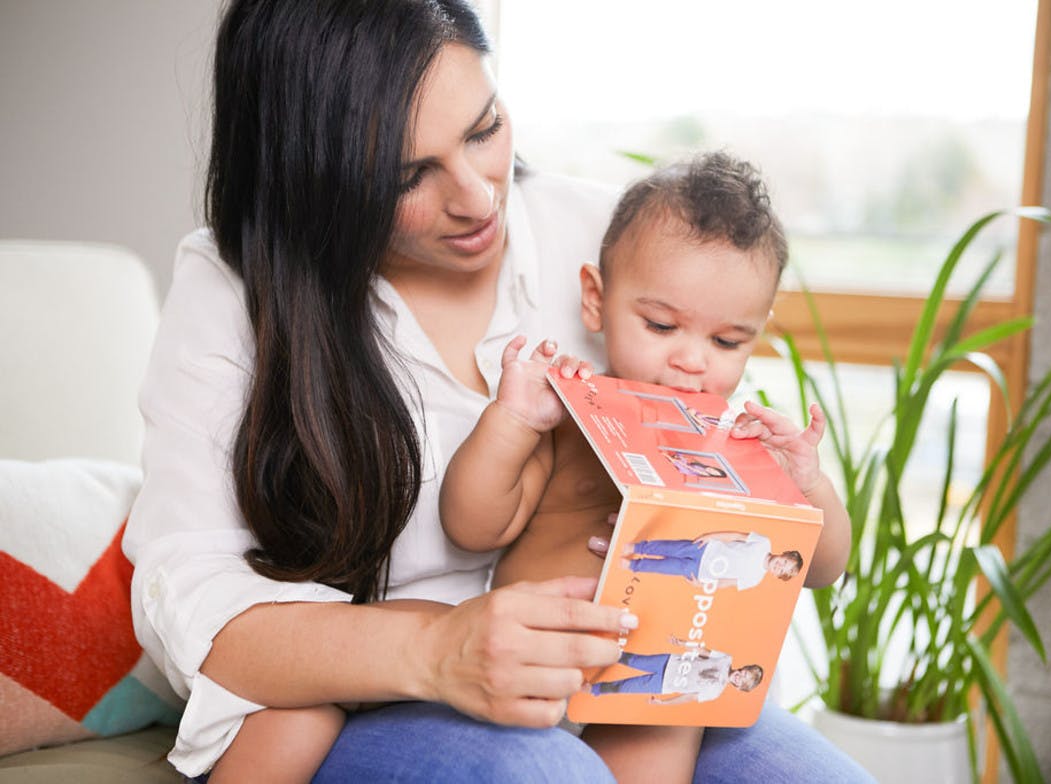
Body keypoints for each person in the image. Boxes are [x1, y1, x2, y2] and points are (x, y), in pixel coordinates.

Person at [122, 1, 873, 782]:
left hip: (615, 672)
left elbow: (783, 537)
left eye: (483, 130)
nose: (482, 199)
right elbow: (191, 596)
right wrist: (438, 649)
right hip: (382, 687)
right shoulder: (237, 286)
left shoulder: (622, 238)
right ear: (317, 180)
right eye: (408, 174)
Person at [440, 152, 858, 782]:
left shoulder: (737, 445)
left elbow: (821, 568)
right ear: (595, 301)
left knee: (666, 726)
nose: (692, 361)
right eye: (662, 325)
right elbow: (471, 524)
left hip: (652, 695)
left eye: (727, 341)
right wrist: (515, 420)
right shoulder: (573, 414)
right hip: (536, 673)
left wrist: (807, 485)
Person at [585, 636, 763, 706]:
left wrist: (665, 703)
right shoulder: (726, 660)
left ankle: (593, 690)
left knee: (626, 687)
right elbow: (704, 651)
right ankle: (599, 649)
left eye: (742, 682)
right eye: (744, 674)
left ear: (739, 688)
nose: (740, 677)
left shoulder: (715, 692)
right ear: (743, 668)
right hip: (668, 662)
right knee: (632, 659)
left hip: (664, 684)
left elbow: (689, 696)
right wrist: (683, 644)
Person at [621, 532, 805, 590]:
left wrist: (702, 585)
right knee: (670, 547)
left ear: (776, 575)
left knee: (666, 567)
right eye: (785, 562)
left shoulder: (755, 579)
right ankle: (637, 548)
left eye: (782, 571)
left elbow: (725, 583)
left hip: (701, 571)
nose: (780, 566)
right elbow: (734, 535)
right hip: (706, 549)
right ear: (784, 554)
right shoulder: (764, 543)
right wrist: (710, 536)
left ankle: (634, 565)